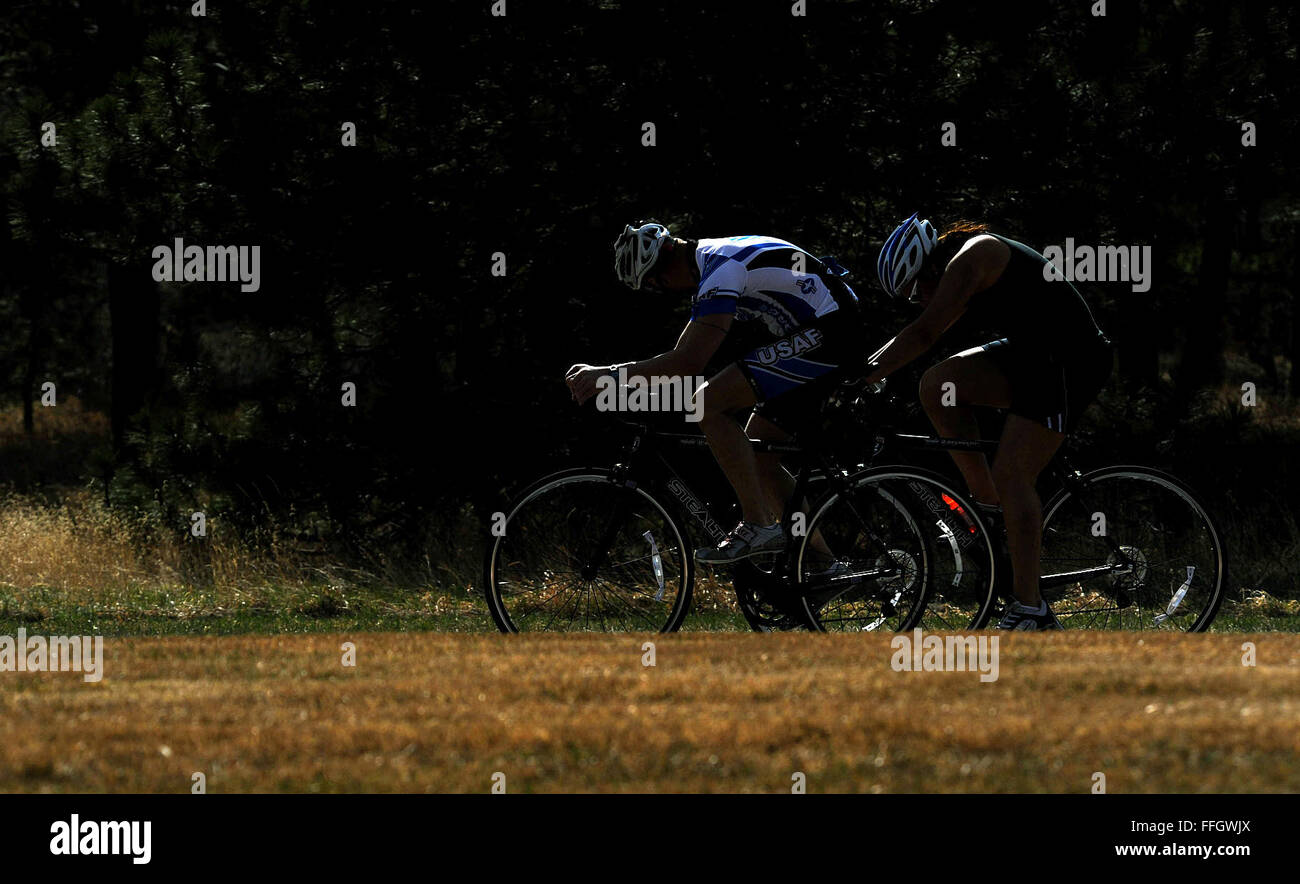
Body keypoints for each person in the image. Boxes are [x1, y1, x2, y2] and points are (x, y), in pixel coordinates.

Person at [863, 213, 1113, 629]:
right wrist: (869, 368)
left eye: (914, 290)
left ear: (928, 266)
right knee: (937, 385)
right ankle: (986, 507)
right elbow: (924, 334)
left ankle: (1031, 609)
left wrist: (863, 375)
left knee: (1014, 474)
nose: (917, 299)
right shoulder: (955, 268)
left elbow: (924, 333)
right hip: (1031, 354)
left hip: (1071, 360)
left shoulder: (973, 257)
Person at [566, 222, 859, 563]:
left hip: (832, 331)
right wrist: (624, 381)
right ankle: (822, 564)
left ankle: (758, 524)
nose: (662, 290)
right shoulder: (711, 262)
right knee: (760, 455)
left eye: (655, 283)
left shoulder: (722, 270)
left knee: (705, 403)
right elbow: (680, 357)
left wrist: (610, 375)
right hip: (825, 329)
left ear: (665, 261)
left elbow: (689, 362)